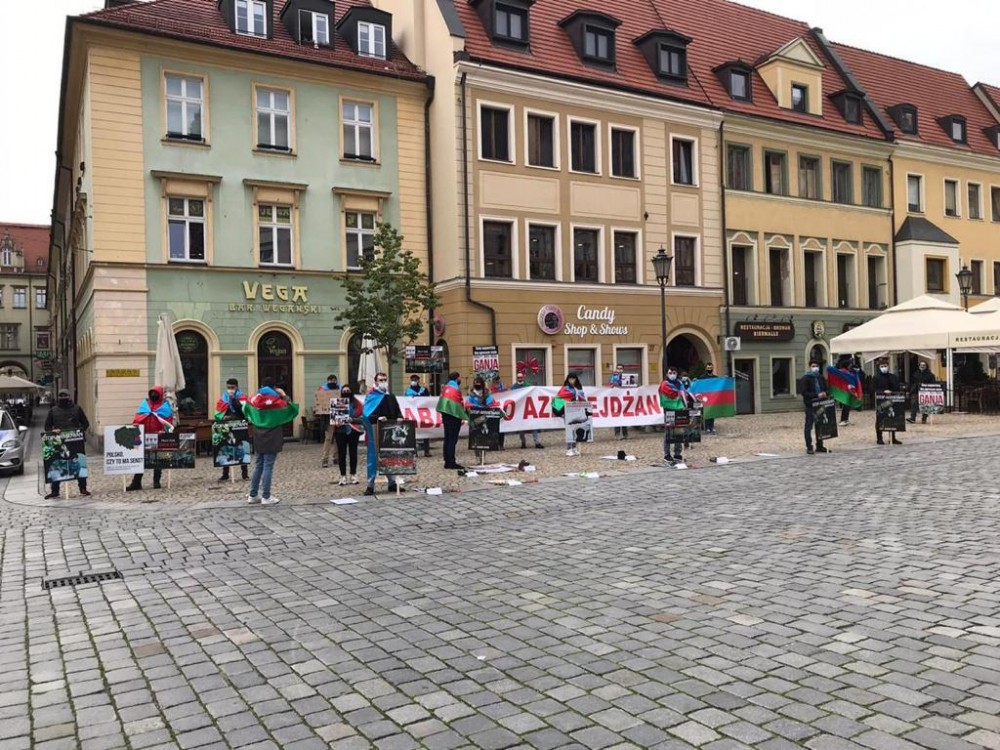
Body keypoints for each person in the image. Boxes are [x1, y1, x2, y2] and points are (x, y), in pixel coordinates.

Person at [243, 378, 299, 505]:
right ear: (274, 388)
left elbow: (245, 409)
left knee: (258, 465)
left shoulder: (253, 399)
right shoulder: (277, 402)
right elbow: (292, 410)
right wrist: (284, 395)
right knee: (268, 466)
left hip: (258, 435)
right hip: (272, 435)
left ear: (262, 386)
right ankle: (266, 496)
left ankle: (253, 494)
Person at [44, 389, 91, 499]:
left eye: (65, 395)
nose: (63, 397)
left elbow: (85, 423)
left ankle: (83, 488)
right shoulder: (53, 410)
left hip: (76, 442)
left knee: (79, 463)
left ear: (69, 397)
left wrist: (78, 431)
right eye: (61, 395)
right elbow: (47, 426)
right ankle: (55, 490)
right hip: (60, 443)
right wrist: (52, 432)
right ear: (58, 397)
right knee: (58, 464)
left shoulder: (77, 408)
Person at [362, 372, 404, 495]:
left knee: (389, 456)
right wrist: (378, 418)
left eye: (385, 379)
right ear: (375, 382)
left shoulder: (390, 396)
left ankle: (391, 483)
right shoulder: (371, 396)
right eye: (381, 380)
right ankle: (370, 485)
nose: (383, 382)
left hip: (390, 430)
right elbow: (366, 414)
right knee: (373, 458)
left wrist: (399, 417)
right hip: (375, 431)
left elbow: (397, 410)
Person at [127, 386, 175, 492]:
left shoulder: (165, 406)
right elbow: (138, 417)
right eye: (152, 393)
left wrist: (164, 431)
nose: (154, 395)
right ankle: (136, 482)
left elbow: (167, 422)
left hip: (158, 437)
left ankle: (156, 481)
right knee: (141, 460)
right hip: (144, 437)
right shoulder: (145, 405)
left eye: (156, 393)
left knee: (158, 459)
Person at [659, 366, 696, 464]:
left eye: (674, 373)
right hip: (669, 411)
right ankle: (667, 455)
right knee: (669, 433)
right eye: (670, 373)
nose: (672, 375)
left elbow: (685, 394)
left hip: (680, 410)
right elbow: (671, 394)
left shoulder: (679, 383)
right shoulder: (664, 384)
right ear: (667, 374)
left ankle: (677, 454)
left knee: (679, 433)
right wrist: (681, 394)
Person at [214, 378, 249, 481]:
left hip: (239, 426)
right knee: (226, 447)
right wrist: (222, 417)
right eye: (228, 387)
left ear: (237, 387)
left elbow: (244, 412)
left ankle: (244, 473)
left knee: (241, 447)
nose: (230, 389)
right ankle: (225, 473)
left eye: (232, 388)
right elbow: (218, 412)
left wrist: (234, 399)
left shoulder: (242, 397)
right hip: (227, 425)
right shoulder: (223, 398)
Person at [333, 385, 363, 486]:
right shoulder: (337, 403)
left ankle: (353, 474)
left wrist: (353, 420)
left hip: (353, 431)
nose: (346, 392)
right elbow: (333, 417)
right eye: (344, 391)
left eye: (348, 390)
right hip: (340, 431)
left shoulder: (357, 403)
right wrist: (336, 422)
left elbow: (362, 417)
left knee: (353, 454)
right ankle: (342, 476)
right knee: (341, 455)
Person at [436, 371, 467, 470]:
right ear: (457, 378)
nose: (460, 380)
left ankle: (447, 460)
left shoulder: (445, 388)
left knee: (447, 439)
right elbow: (459, 403)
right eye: (459, 378)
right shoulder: (455, 389)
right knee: (452, 440)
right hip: (453, 416)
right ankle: (451, 462)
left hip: (446, 416)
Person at [799, 360, 830, 455]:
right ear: (809, 367)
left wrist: (825, 393)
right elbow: (804, 393)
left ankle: (820, 445)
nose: (815, 367)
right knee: (809, 426)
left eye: (816, 365)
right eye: (813, 366)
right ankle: (809, 446)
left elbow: (826, 389)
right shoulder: (805, 378)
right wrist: (817, 395)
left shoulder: (820, 377)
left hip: (820, 405)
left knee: (820, 425)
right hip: (810, 405)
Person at [555, 373, 588, 456]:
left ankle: (574, 447)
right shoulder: (565, 388)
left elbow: (583, 399)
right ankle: (569, 448)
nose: (571, 381)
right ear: (567, 379)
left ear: (576, 379)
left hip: (577, 411)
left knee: (576, 430)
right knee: (569, 430)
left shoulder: (579, 389)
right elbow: (558, 398)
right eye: (570, 379)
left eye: (573, 379)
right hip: (567, 411)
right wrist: (568, 401)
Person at [873, 359, 903, 445]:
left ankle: (892, 437)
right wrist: (883, 391)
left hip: (892, 400)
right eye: (882, 366)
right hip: (881, 401)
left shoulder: (893, 377)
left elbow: (897, 388)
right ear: (879, 367)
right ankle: (879, 438)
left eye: (885, 366)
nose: (884, 368)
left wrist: (893, 392)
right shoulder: (876, 377)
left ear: (888, 366)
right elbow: (873, 389)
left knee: (892, 418)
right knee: (880, 419)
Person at [511, 372, 543, 449]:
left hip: (529, 407)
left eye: (521, 377)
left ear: (523, 378)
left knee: (534, 424)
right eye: (518, 377)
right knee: (521, 427)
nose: (520, 379)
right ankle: (523, 443)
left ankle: (537, 443)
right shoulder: (514, 387)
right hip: (519, 409)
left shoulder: (528, 386)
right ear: (517, 378)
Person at [405, 375, 432, 457]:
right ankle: (414, 450)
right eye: (412, 379)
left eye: (415, 379)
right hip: (413, 413)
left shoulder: (423, 390)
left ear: (418, 380)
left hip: (423, 413)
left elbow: (428, 399)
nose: (414, 381)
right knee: (413, 432)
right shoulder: (408, 391)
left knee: (425, 431)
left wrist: (426, 391)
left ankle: (426, 451)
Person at [319, 374, 340, 468]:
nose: (332, 382)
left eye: (334, 380)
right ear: (328, 381)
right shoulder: (323, 389)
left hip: (338, 416)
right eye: (330, 380)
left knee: (337, 439)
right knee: (328, 439)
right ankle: (325, 459)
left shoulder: (339, 388)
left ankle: (336, 457)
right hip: (327, 418)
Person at [609, 364, 629, 440]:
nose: (619, 370)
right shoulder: (613, 377)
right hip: (616, 400)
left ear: (623, 369)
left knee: (624, 417)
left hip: (624, 400)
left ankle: (625, 434)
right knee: (617, 417)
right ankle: (617, 434)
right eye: (618, 368)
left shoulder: (627, 377)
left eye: (621, 368)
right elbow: (611, 385)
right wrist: (614, 382)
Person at [698, 363, 717, 434]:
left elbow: (719, 384)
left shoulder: (715, 378)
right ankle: (707, 428)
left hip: (713, 397)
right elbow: (698, 384)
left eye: (711, 368)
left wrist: (724, 379)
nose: (710, 369)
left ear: (713, 368)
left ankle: (711, 427)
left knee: (712, 412)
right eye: (708, 368)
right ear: (706, 369)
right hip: (705, 398)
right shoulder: (702, 377)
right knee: (706, 412)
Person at [835, 357, 855, 426]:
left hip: (847, 390)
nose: (850, 366)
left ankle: (845, 419)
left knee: (847, 406)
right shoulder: (842, 372)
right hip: (844, 391)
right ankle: (843, 420)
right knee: (846, 406)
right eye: (849, 365)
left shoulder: (846, 372)